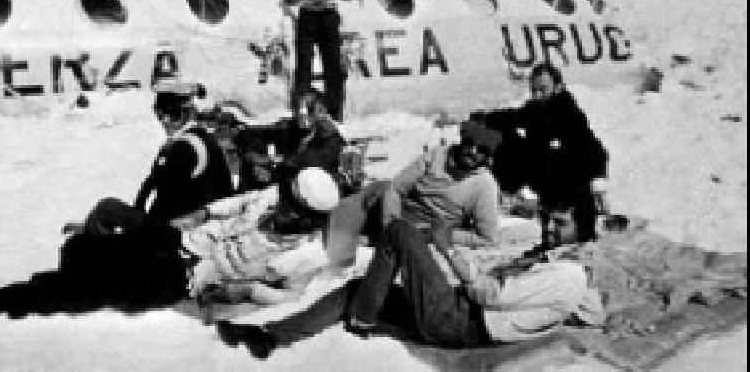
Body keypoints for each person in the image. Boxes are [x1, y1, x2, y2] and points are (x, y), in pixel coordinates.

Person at [216, 196, 604, 359]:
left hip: (462, 320)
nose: (550, 228)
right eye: (549, 220)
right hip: (460, 312)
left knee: (400, 232)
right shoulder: (559, 263)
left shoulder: (568, 273)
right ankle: (270, 337)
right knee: (359, 288)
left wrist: (448, 252)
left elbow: (490, 295)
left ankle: (364, 319)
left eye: (561, 223)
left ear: (582, 229)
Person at [0, 167, 342, 326]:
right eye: (283, 200)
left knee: (86, 288)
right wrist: (195, 216)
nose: (278, 208)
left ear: (308, 219)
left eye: (289, 209)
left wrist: (247, 290)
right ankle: (73, 269)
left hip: (184, 278)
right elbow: (229, 205)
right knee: (93, 236)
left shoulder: (306, 254)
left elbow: (292, 298)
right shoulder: (273, 197)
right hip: (175, 241)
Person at [62, 80, 234, 237]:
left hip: (185, 228)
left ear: (188, 112)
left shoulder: (187, 146)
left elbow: (168, 200)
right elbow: (151, 184)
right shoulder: (191, 138)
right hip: (183, 221)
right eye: (160, 114)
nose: (165, 121)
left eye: (173, 114)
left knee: (107, 209)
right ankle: (93, 230)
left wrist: (136, 231)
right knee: (108, 212)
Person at [325, 134, 501, 269]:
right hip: (398, 213)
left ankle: (352, 256)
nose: (473, 151)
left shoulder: (484, 185)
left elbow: (487, 238)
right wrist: (391, 224)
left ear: (488, 156)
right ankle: (337, 260)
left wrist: (445, 235)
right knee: (358, 199)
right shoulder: (438, 155)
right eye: (469, 144)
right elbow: (396, 187)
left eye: (481, 149)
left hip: (425, 229)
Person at [468, 63, 609, 210]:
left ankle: (577, 205)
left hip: (563, 181)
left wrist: (596, 182)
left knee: (532, 148)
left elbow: (595, 150)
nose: (537, 95)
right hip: (542, 176)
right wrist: (485, 118)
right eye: (534, 90)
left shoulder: (570, 115)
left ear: (558, 87)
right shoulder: (536, 108)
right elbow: (513, 117)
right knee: (509, 138)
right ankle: (507, 193)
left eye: (542, 89)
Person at [234, 89, 346, 233]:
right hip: (284, 184)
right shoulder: (290, 127)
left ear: (321, 111)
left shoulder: (330, 136)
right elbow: (253, 134)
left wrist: (271, 164)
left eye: (309, 109)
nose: (302, 113)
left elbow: (307, 162)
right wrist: (253, 157)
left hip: (310, 198)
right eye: (298, 108)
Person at [283, 0, 355, 121]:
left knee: (332, 64)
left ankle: (334, 111)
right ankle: (302, 110)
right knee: (304, 63)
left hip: (328, 16)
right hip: (308, 15)